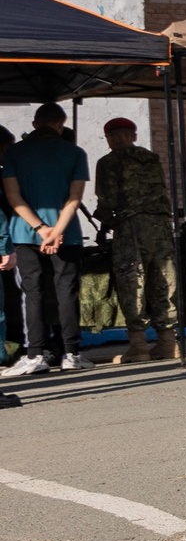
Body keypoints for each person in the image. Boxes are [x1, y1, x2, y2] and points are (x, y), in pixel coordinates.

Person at [2, 104, 89, 376]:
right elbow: (74, 198)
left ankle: (34, 354)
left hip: (24, 232)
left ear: (35, 123)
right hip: (68, 233)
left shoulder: (14, 152)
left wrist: (40, 229)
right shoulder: (75, 152)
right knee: (66, 292)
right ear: (60, 124)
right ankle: (71, 353)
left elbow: (13, 196)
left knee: (32, 291)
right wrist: (56, 230)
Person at [94, 117, 178, 364]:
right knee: (164, 280)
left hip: (130, 228)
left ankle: (138, 346)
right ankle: (168, 343)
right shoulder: (151, 159)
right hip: (161, 225)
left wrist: (103, 223)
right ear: (134, 135)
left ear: (110, 138)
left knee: (133, 281)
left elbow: (107, 200)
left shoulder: (109, 162)